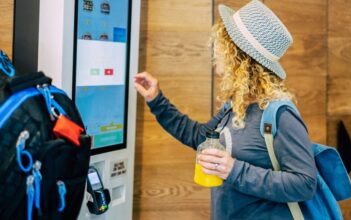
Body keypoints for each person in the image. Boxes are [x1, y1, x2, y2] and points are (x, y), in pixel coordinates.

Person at [133, 0, 317, 219]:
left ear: (238, 57)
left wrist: (233, 170)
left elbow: (304, 184)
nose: (215, 53)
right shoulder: (236, 105)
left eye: (220, 46)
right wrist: (156, 99)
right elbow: (199, 137)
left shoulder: (280, 114)